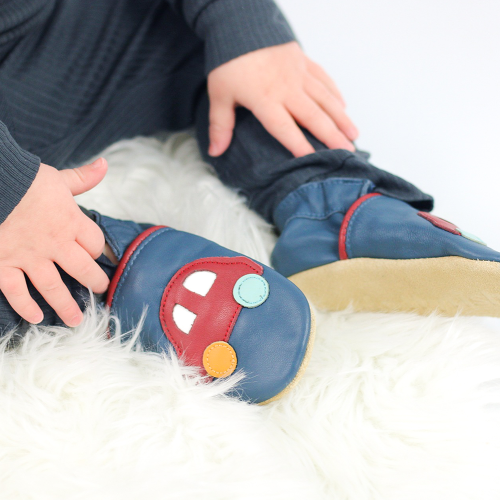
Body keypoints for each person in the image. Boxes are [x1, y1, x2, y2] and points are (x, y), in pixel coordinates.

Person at [0, 0, 498, 336]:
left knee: (214, 54)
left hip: (48, 43)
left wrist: (239, 25)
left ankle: (327, 206)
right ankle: (98, 262)